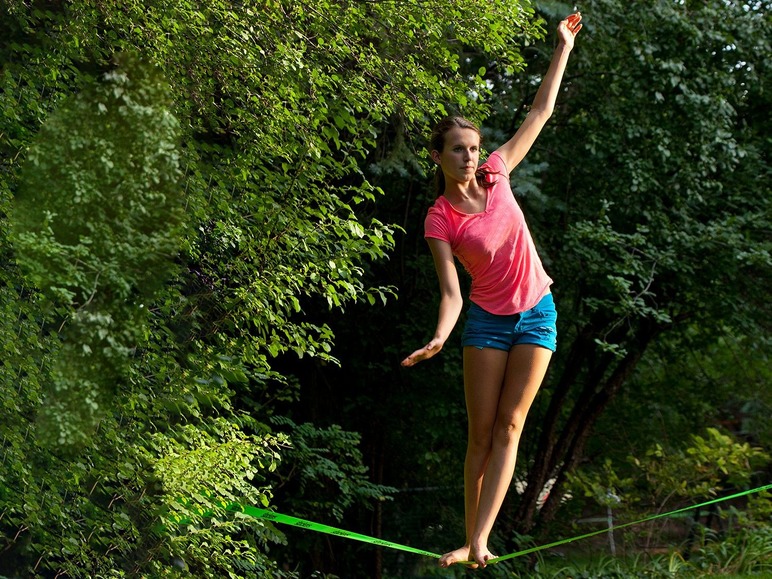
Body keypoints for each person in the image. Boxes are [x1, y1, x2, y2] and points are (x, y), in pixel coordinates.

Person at [400, 13, 583, 569]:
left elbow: (540, 111)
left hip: (536, 312)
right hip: (484, 321)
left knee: (510, 424)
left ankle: (479, 542)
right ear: (438, 156)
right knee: (480, 433)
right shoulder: (439, 219)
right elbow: (452, 292)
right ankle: (469, 536)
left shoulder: (499, 173)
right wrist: (438, 336)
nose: (471, 156)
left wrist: (563, 47)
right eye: (458, 149)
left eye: (474, 147)